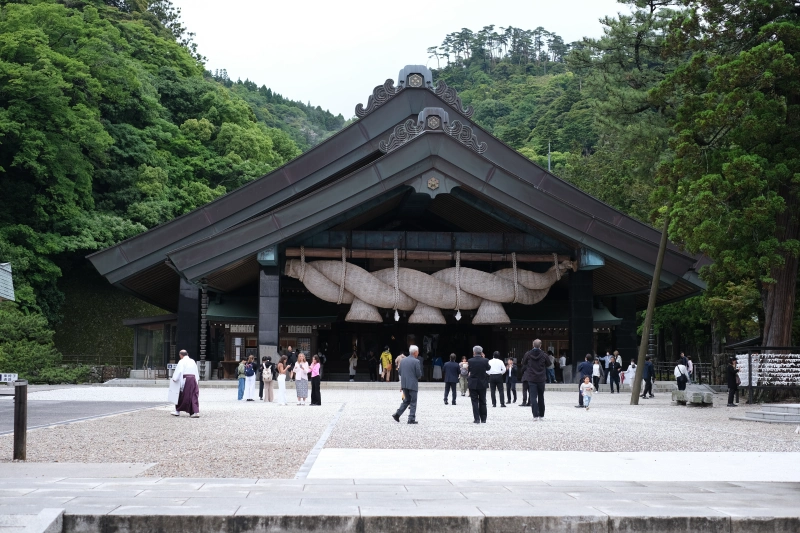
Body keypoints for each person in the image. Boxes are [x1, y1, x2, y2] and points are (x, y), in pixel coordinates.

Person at [392, 345, 422, 424]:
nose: (418, 353)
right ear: (415, 352)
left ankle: (397, 414)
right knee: (413, 401)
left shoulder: (403, 361)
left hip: (404, 384)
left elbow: (399, 372)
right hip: (412, 384)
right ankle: (411, 418)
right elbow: (419, 374)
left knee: (406, 400)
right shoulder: (416, 361)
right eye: (418, 351)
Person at [521, 339, 548, 421]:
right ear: (540, 345)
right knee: (541, 396)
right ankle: (541, 415)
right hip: (541, 378)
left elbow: (524, 363)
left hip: (531, 378)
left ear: (533, 345)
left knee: (533, 397)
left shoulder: (528, 354)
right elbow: (549, 363)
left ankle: (535, 415)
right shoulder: (544, 354)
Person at [169, 349, 200, 417]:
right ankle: (195, 411)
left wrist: (175, 378)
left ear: (181, 355)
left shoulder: (181, 361)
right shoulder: (192, 361)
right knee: (193, 395)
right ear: (187, 354)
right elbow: (196, 371)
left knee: (181, 395)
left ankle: (177, 411)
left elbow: (179, 371)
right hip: (193, 379)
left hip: (186, 379)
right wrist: (196, 380)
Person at [467, 346, 491, 424]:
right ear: (481, 352)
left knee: (474, 401)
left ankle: (477, 419)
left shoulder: (470, 361)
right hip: (482, 383)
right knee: (483, 401)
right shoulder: (485, 360)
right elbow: (488, 368)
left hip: (473, 383)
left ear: (474, 352)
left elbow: (469, 370)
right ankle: (483, 418)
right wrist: (484, 358)